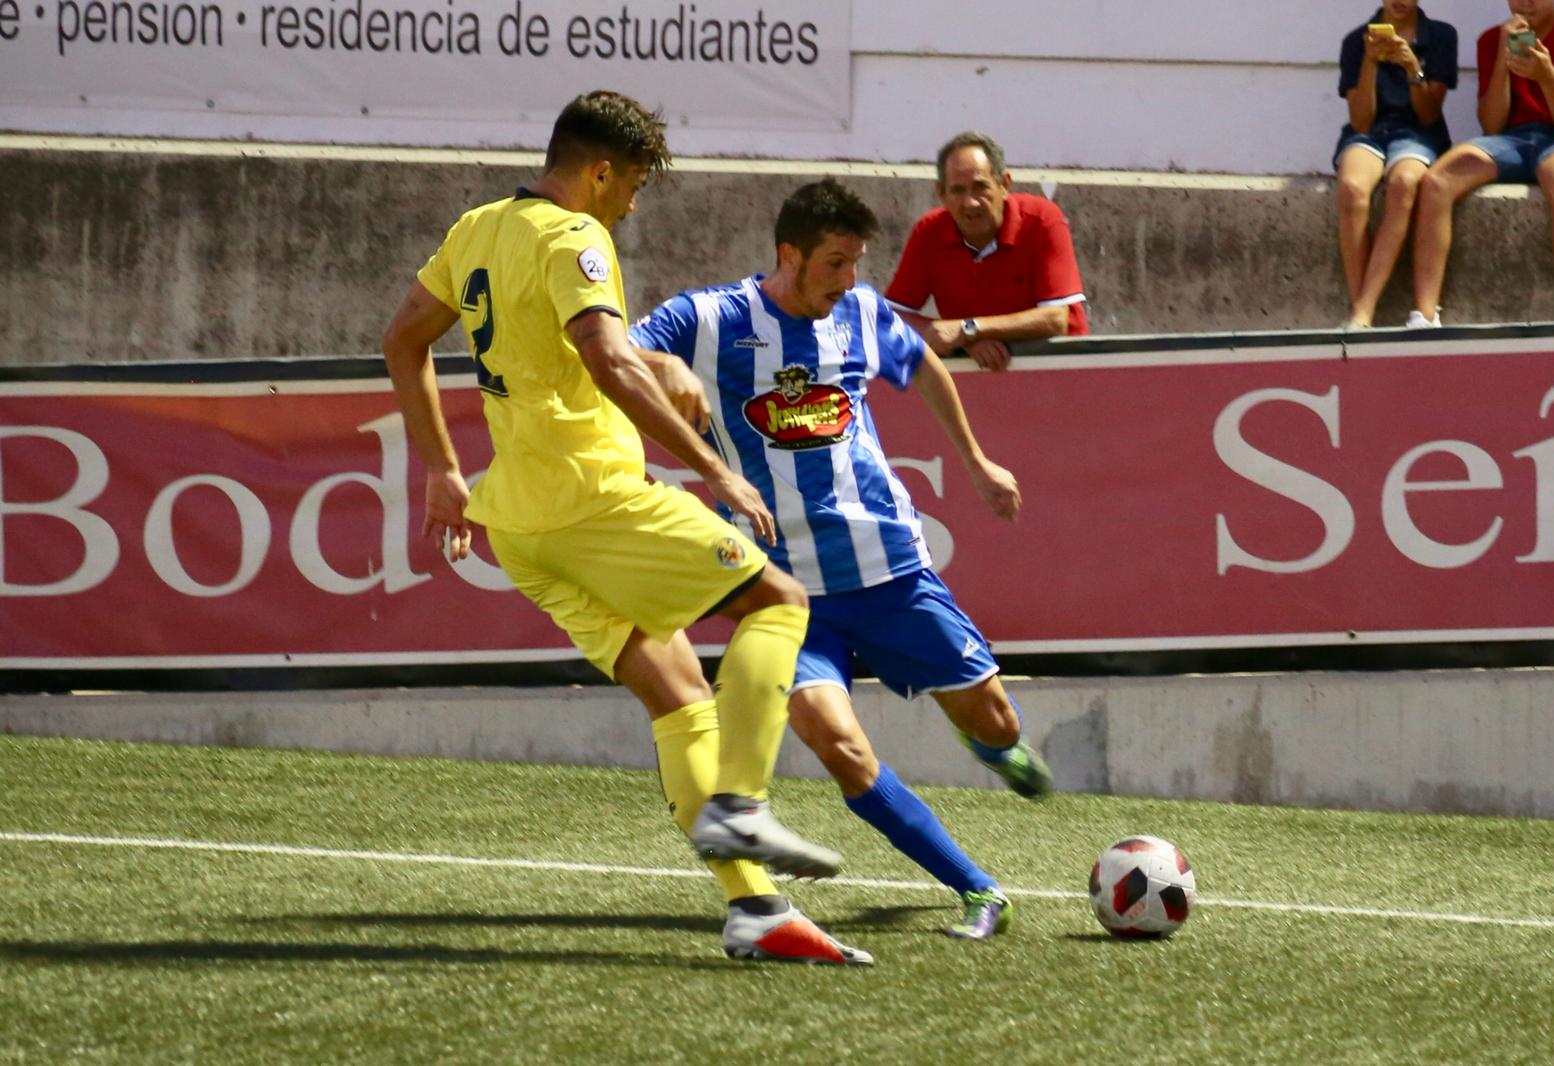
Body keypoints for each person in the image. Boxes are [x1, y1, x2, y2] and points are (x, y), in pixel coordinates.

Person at [380, 91, 870, 966]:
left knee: (681, 697)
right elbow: (605, 358)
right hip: (590, 499)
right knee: (777, 601)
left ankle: (754, 912)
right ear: (600, 171)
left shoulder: (481, 227)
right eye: (633, 184)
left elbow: (405, 339)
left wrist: (441, 468)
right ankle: (743, 805)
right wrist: (715, 467)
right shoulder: (577, 238)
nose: (634, 203)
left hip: (519, 524)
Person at [629, 178, 1054, 941]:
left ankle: (988, 739)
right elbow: (609, 354)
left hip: (889, 570)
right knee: (841, 748)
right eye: (834, 263)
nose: (849, 280)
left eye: (856, 262)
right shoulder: (709, 318)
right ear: (788, 255)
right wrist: (666, 370)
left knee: (997, 719)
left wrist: (978, 463)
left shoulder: (859, 312)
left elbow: (922, 363)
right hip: (785, 595)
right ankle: (979, 890)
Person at [1409, 0, 1554, 326]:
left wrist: (1547, 76)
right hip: (1511, 140)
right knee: (1436, 181)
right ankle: (1424, 316)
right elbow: (1492, 125)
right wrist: (1502, 57)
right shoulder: (1491, 40)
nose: (1525, 3)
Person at [885, 131, 1089, 372]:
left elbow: (1057, 319)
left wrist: (967, 329)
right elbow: (890, 318)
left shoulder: (1043, 219)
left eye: (980, 186)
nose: (970, 202)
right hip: (979, 380)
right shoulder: (929, 231)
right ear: (941, 194)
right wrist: (965, 341)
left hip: (1060, 373)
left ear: (1004, 185)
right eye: (958, 190)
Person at [1335, 1, 1458, 328]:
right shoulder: (1355, 41)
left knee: (1405, 183)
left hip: (1419, 133)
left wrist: (1412, 68)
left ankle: (1364, 308)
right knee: (1352, 188)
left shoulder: (1441, 36)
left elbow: (1428, 115)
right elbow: (1361, 121)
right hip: (1371, 133)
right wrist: (1370, 63)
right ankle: (1360, 313)